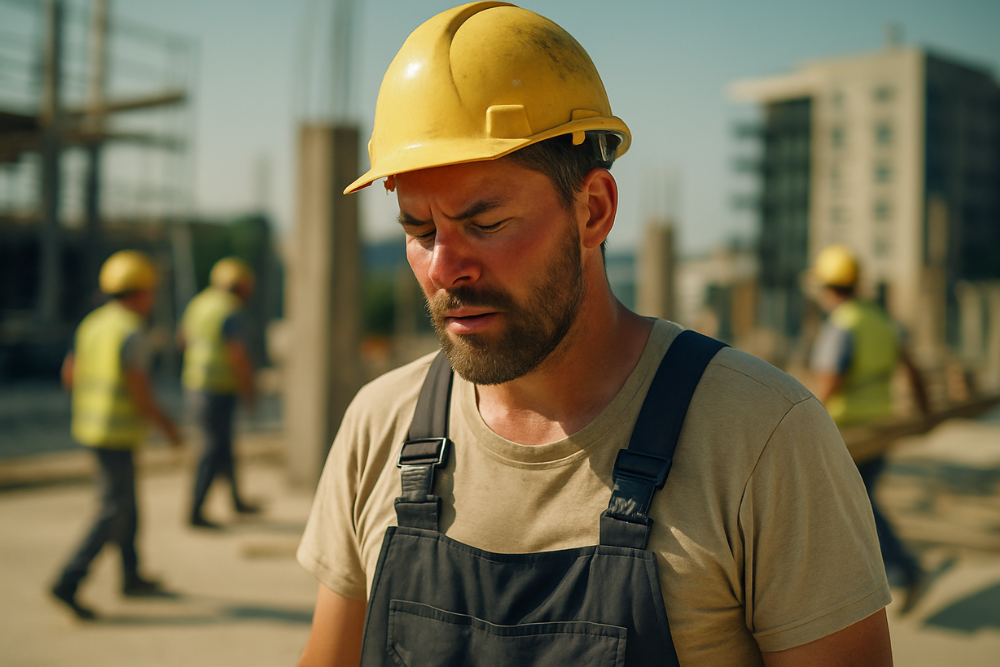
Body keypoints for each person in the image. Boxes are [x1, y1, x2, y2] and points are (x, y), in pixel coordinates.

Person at [296, 4, 893, 665]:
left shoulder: (760, 437)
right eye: (418, 230)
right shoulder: (382, 425)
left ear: (594, 209)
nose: (444, 267)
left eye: (485, 223)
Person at [51, 250, 182, 620]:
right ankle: (69, 579)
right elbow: (140, 391)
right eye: (151, 291)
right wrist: (169, 428)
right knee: (113, 508)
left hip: (91, 427)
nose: (153, 299)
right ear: (138, 292)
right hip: (115, 430)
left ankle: (132, 575)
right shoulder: (132, 332)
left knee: (128, 503)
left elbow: (69, 375)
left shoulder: (92, 324)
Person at [810, 243, 931, 613]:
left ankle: (905, 568)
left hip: (848, 431)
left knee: (851, 506)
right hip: (880, 427)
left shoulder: (841, 325)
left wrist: (803, 418)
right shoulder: (880, 319)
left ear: (825, 286)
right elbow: (911, 366)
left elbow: (832, 379)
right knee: (857, 503)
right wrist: (925, 410)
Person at [178, 257, 260, 528]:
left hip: (194, 383)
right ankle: (195, 511)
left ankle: (237, 500)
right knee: (212, 448)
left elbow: (182, 339)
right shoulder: (231, 309)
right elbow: (238, 355)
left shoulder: (199, 303)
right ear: (239, 286)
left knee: (223, 446)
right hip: (218, 387)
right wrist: (249, 390)